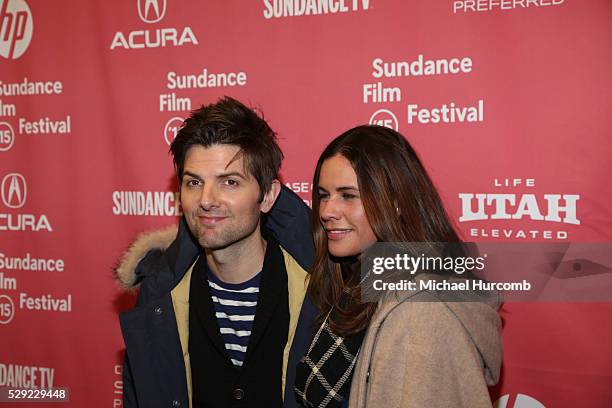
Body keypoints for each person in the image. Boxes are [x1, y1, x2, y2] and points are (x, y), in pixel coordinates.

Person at [115, 96, 316, 408]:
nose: (206, 200)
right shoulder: (159, 295)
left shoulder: (323, 285)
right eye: (194, 182)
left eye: (230, 182)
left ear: (267, 196)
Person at [293, 125, 502, 407]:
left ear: (395, 203)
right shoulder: (360, 282)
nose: (327, 211)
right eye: (324, 195)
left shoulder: (422, 312)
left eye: (348, 195)